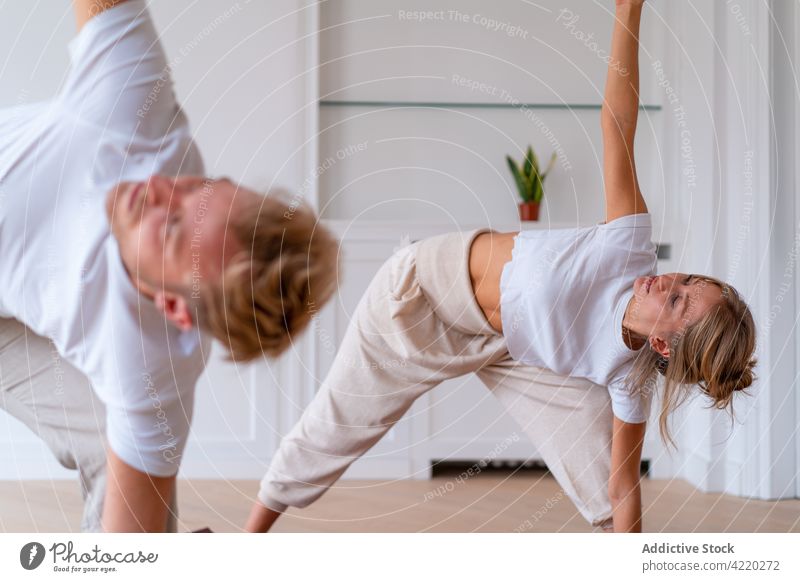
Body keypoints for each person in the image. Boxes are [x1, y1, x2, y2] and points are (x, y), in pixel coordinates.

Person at [245, 0, 757, 533]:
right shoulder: (628, 248)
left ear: (662, 346)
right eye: (688, 280)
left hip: (510, 349)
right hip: (423, 299)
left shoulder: (629, 379)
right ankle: (247, 541)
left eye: (677, 300)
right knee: (339, 426)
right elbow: (617, 124)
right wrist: (629, 10)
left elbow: (626, 484)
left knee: (603, 472)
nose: (671, 281)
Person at [0, 0, 337, 532]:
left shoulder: (150, 370)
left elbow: (128, 540)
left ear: (174, 308)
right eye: (196, 187)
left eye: (174, 226)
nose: (156, 186)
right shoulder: (136, 115)